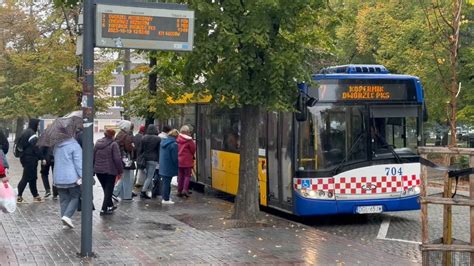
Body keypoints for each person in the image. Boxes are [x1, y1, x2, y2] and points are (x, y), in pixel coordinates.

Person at [53, 137, 82, 228]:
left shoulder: (56, 146)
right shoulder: (75, 146)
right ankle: (67, 216)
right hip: (71, 177)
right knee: (75, 197)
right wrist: (82, 175)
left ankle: (65, 222)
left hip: (58, 176)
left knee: (64, 200)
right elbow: (78, 162)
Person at [94, 129, 123, 215]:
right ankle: (104, 209)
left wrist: (93, 168)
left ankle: (110, 205)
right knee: (108, 190)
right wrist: (120, 170)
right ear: (113, 135)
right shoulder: (113, 144)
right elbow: (117, 159)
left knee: (106, 189)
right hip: (110, 170)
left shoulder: (97, 143)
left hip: (99, 171)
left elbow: (93, 156)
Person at [16, 118, 43, 203]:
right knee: (26, 177)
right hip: (30, 159)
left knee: (32, 177)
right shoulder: (32, 134)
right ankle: (19, 196)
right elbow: (36, 147)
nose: (38, 126)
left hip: (25, 158)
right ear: (34, 124)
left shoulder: (25, 132)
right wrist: (42, 157)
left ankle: (36, 195)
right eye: (37, 124)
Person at [113, 120, 135, 201]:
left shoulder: (119, 134)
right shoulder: (126, 135)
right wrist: (133, 146)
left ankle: (121, 194)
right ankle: (120, 194)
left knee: (123, 176)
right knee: (127, 177)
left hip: (120, 157)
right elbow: (129, 147)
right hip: (126, 158)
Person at [139, 125, 161, 199]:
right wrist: (159, 160)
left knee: (148, 176)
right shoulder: (158, 139)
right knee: (149, 176)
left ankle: (151, 189)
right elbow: (159, 150)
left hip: (145, 158)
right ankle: (143, 192)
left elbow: (141, 149)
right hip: (153, 159)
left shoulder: (144, 137)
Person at [159, 129, 179, 204]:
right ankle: (166, 199)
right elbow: (175, 158)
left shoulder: (163, 142)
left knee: (165, 182)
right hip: (169, 166)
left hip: (163, 165)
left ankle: (165, 197)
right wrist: (177, 166)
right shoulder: (174, 144)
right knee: (167, 183)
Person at [176, 125, 196, 198]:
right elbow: (193, 149)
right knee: (187, 175)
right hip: (187, 160)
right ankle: (185, 190)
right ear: (187, 132)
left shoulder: (178, 138)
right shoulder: (189, 140)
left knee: (180, 175)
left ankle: (179, 190)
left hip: (179, 160)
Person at [132, 125, 146, 196]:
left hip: (136, 154)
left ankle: (136, 181)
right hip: (140, 155)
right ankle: (138, 182)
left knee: (138, 168)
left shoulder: (135, 136)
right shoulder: (142, 137)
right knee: (140, 169)